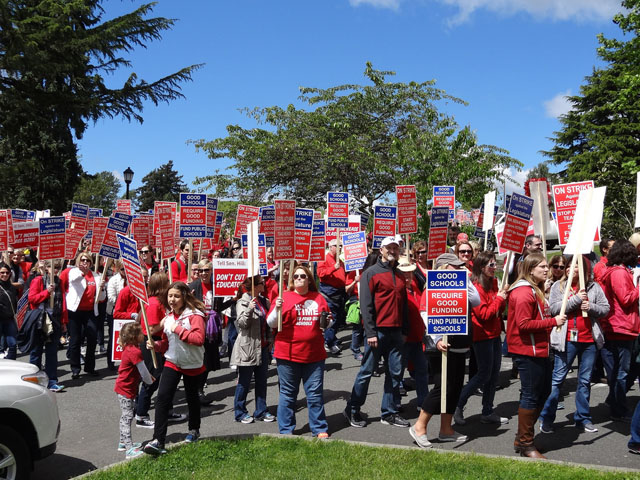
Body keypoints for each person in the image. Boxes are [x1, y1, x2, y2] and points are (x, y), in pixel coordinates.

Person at [409, 253, 481, 449]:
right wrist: (438, 338)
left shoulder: (462, 286)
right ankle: (419, 427)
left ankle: (446, 429)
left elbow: (476, 301)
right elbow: (425, 313)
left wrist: (465, 280)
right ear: (444, 268)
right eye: (455, 266)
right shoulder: (432, 287)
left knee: (455, 388)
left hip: (459, 344)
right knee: (442, 388)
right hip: (439, 347)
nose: (460, 269)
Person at [344, 236, 410, 429]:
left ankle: (388, 412)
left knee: (395, 373)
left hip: (396, 333)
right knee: (366, 372)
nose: (393, 251)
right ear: (381, 250)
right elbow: (366, 305)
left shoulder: (399, 274)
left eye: (396, 248)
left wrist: (404, 330)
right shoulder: (370, 273)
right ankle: (353, 408)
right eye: (389, 248)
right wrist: (370, 332)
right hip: (377, 333)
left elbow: (403, 305)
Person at [539, 255, 609, 434]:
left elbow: (605, 308)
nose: (570, 269)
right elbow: (554, 309)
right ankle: (546, 418)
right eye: (568, 266)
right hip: (566, 340)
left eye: (575, 266)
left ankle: (583, 418)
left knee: (584, 381)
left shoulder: (594, 287)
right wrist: (576, 300)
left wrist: (590, 307)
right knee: (557, 380)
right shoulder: (558, 286)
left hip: (588, 341)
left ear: (584, 270)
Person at [507, 252, 566, 459]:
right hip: (527, 351)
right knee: (531, 395)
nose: (546, 269)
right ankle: (526, 444)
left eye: (545, 266)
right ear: (531, 269)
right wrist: (553, 322)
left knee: (542, 392)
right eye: (541, 266)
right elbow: (523, 325)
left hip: (539, 349)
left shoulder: (535, 290)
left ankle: (522, 437)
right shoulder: (523, 292)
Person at [266, 264, 330, 438]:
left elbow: (327, 321)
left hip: (314, 355)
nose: (299, 279)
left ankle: (319, 428)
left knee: (315, 394)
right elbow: (271, 323)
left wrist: (328, 321)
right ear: (291, 280)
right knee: (288, 394)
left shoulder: (319, 298)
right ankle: (286, 430)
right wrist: (277, 309)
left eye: (303, 276)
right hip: (288, 354)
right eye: (296, 276)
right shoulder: (283, 297)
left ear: (309, 279)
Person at [144, 282, 206, 455]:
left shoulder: (195, 316)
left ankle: (194, 430)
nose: (172, 299)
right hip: (172, 362)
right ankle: (158, 440)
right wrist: (156, 345)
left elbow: (198, 339)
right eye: (170, 296)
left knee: (192, 398)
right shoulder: (169, 317)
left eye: (176, 296)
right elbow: (167, 342)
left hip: (192, 363)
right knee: (162, 398)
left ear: (184, 297)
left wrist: (178, 329)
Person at [454, 251, 508, 426]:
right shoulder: (475, 287)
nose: (494, 268)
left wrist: (502, 296)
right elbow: (484, 314)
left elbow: (499, 312)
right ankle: (458, 404)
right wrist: (500, 299)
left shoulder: (493, 283)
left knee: (493, 375)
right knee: (483, 374)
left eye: (495, 264)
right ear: (481, 267)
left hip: (495, 334)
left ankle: (487, 411)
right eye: (490, 265)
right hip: (482, 335)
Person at [598, 240, 640, 422]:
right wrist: (639, 288)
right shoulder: (619, 273)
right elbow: (625, 298)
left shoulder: (616, 271)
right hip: (621, 327)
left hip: (618, 325)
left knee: (618, 372)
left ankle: (615, 404)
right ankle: (619, 409)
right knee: (620, 373)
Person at [231, 274, 274, 423]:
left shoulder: (264, 301)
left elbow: (268, 322)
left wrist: (270, 341)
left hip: (261, 347)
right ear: (255, 286)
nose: (264, 285)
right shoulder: (243, 302)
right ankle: (240, 412)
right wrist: (249, 309)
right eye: (261, 283)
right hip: (247, 347)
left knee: (262, 381)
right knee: (244, 382)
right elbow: (242, 324)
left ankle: (261, 410)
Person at [114, 322, 154, 459]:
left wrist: (148, 376)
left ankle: (123, 442)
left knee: (126, 416)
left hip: (126, 388)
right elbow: (142, 370)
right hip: (125, 389)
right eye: (141, 333)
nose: (143, 334)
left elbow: (140, 370)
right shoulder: (135, 351)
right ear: (134, 336)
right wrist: (149, 381)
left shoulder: (131, 348)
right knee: (127, 417)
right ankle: (129, 449)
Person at [27, 260, 66, 392]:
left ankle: (52, 381)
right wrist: (46, 292)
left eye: (57, 268)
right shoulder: (38, 281)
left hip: (54, 319)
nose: (54, 270)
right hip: (40, 319)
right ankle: (33, 380)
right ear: (46, 268)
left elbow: (63, 303)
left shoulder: (59, 282)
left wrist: (63, 322)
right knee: (36, 351)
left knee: (51, 352)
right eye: (51, 267)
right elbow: (32, 299)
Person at [65, 252, 105, 379]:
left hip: (90, 311)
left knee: (92, 339)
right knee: (75, 340)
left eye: (87, 260)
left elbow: (101, 298)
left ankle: (90, 367)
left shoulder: (96, 276)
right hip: (75, 311)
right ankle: (75, 368)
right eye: (82, 260)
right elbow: (74, 280)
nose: (85, 262)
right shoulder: (73, 272)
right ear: (78, 261)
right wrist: (82, 272)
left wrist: (102, 288)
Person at [396, 256, 429, 410]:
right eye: (404, 273)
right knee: (397, 373)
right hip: (402, 339)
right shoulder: (397, 291)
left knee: (422, 371)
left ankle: (424, 402)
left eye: (410, 273)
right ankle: (394, 404)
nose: (407, 276)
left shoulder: (415, 287)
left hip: (417, 338)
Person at [317, 239, 347, 355]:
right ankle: (328, 342)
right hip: (329, 293)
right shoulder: (324, 259)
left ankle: (332, 338)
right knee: (332, 318)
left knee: (338, 318)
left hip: (339, 293)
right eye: (337, 246)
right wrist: (333, 267)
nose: (340, 248)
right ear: (331, 247)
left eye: (341, 246)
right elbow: (320, 273)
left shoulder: (339, 260)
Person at [0, 263, 18, 360]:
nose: (5, 274)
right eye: (2, 272)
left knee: (13, 344)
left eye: (7, 272)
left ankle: (12, 364)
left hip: (9, 319)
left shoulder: (11, 287)